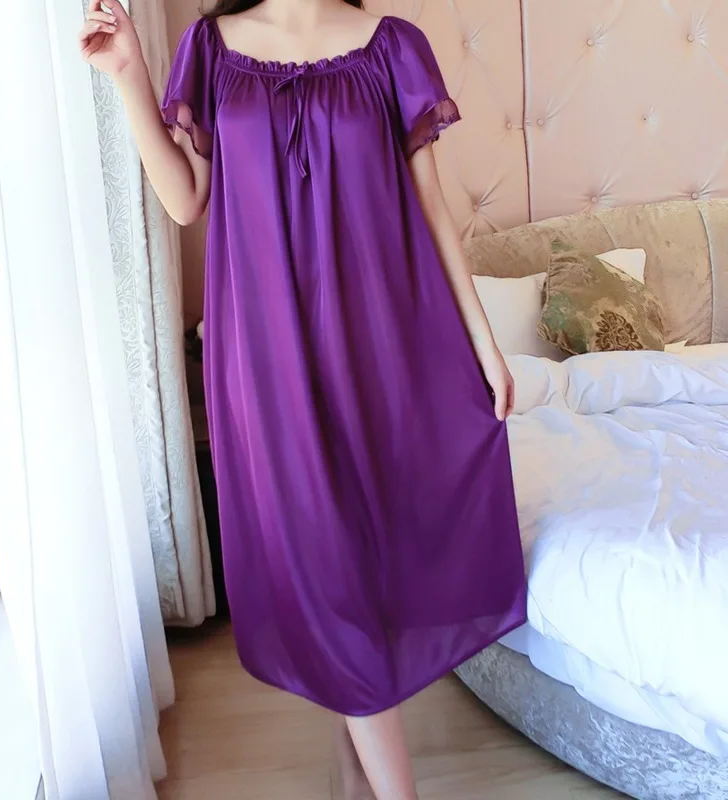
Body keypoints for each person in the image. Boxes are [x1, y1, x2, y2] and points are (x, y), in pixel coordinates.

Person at [79, 1, 527, 797]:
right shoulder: (212, 50)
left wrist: (484, 343)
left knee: (365, 551)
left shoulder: (390, 48)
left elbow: (432, 206)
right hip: (265, 356)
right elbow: (186, 199)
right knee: (319, 553)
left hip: (378, 345)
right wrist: (129, 76)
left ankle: (355, 765)